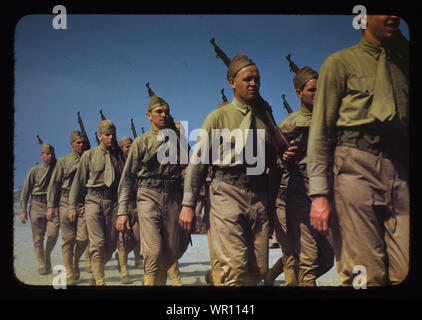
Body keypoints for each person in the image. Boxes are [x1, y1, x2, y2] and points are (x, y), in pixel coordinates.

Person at [307, 15, 409, 286]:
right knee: (365, 275)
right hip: (355, 168)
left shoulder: (405, 66)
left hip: (401, 172)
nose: (394, 15)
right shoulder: (339, 63)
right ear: (363, 16)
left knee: (405, 272)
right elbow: (320, 131)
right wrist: (319, 194)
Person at [179, 54, 278, 286]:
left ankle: (217, 280)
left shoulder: (265, 120)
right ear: (232, 82)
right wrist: (188, 204)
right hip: (226, 192)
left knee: (258, 270)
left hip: (259, 196)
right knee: (234, 268)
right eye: (247, 79)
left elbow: (273, 162)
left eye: (257, 79)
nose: (253, 83)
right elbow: (198, 163)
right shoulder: (217, 117)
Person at [116, 86, 189, 286]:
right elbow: (127, 179)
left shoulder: (177, 141)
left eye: (166, 112)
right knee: (153, 251)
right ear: (149, 115)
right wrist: (122, 211)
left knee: (172, 250)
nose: (163, 115)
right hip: (148, 196)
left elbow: (190, 165)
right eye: (159, 112)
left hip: (173, 197)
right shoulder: (140, 142)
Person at [277, 66, 334, 286]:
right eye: (312, 90)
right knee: (308, 260)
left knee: (328, 259)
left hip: (325, 193)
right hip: (299, 193)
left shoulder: (330, 120)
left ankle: (281, 277)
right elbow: (270, 159)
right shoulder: (288, 125)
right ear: (299, 93)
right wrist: (283, 157)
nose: (318, 94)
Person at [68, 120, 123, 286]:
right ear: (100, 136)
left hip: (113, 202)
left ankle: (95, 273)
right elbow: (77, 183)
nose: (111, 137)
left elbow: (125, 182)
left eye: (113, 134)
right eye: (107, 135)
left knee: (111, 244)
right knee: (97, 243)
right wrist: (72, 207)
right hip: (93, 200)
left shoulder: (119, 157)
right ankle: (100, 281)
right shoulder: (89, 155)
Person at [46, 130, 89, 285]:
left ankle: (75, 259)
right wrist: (51, 206)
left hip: (83, 202)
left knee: (84, 238)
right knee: (68, 239)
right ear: (71, 144)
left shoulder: (88, 158)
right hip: (64, 201)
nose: (81, 145)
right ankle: (70, 272)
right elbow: (54, 184)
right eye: (78, 142)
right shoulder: (63, 161)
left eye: (83, 142)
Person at [20, 142, 60, 275]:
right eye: (47, 154)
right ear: (41, 155)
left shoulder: (57, 168)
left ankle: (46, 255)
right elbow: (25, 192)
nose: (50, 156)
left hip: (52, 206)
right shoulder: (34, 171)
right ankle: (41, 263)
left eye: (52, 154)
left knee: (53, 234)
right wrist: (23, 211)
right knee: (38, 238)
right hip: (36, 205)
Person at [114, 136, 143, 284]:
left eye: (131, 146)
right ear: (122, 149)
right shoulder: (117, 163)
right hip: (123, 205)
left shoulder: (139, 161)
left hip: (138, 205)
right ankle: (124, 268)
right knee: (123, 239)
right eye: (126, 147)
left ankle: (125, 258)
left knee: (138, 236)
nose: (130, 149)